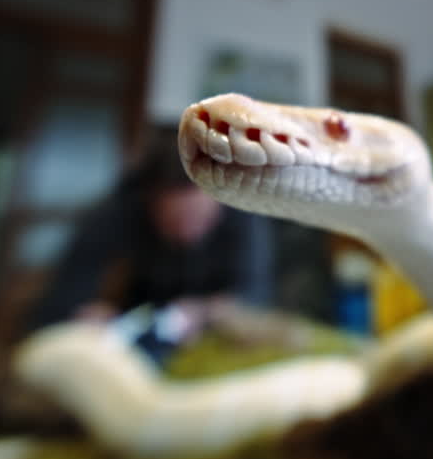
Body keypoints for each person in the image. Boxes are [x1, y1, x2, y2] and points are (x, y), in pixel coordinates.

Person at [26, 125, 273, 334]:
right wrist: (83, 315)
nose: (187, 234)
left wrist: (207, 312)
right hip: (135, 319)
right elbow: (62, 298)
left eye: (197, 219)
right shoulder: (121, 209)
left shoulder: (242, 209)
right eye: (176, 222)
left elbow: (257, 293)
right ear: (149, 200)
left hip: (213, 328)